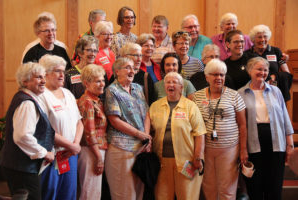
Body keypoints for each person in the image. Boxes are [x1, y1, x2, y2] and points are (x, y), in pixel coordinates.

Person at [238, 57, 294, 200]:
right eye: (259, 69)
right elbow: (239, 124)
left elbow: (285, 119)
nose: (262, 72)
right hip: (253, 143)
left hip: (276, 143)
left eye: (265, 70)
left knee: (274, 186)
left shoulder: (276, 91)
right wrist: (242, 149)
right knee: (255, 186)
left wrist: (290, 143)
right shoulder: (240, 94)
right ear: (250, 70)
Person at [193, 59, 247, 200]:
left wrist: (243, 150)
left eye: (222, 75)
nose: (219, 78)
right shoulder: (197, 97)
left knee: (227, 189)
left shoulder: (234, 95)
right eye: (215, 74)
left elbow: (242, 125)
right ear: (207, 77)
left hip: (229, 148)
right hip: (206, 149)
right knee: (209, 187)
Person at [0, 62, 55, 200]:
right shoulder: (27, 103)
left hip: (21, 167)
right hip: (22, 168)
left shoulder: (26, 98)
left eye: (43, 77)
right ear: (25, 81)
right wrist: (44, 153)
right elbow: (22, 136)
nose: (43, 81)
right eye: (38, 77)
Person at [150, 72, 206, 200]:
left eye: (175, 82)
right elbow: (150, 131)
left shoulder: (191, 107)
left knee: (187, 197)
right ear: (164, 86)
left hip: (187, 162)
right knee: (162, 196)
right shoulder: (155, 106)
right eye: (168, 82)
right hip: (161, 162)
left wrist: (198, 157)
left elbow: (200, 133)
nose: (171, 85)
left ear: (181, 87)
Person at [104, 57, 152, 200]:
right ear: (117, 71)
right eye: (127, 67)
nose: (132, 71)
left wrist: (147, 137)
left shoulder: (138, 88)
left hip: (141, 148)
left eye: (133, 68)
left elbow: (147, 114)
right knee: (124, 194)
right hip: (121, 148)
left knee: (138, 193)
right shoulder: (112, 91)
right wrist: (140, 134)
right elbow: (114, 120)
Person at [38, 55, 83, 200]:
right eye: (57, 71)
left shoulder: (68, 93)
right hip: (51, 157)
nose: (62, 75)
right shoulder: (40, 96)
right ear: (45, 73)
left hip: (70, 155)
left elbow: (79, 122)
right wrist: (72, 146)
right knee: (50, 195)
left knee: (69, 195)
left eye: (63, 71)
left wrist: (75, 144)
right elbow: (44, 130)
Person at [77, 64, 108, 200]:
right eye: (97, 81)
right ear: (86, 83)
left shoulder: (96, 100)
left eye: (102, 80)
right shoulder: (88, 102)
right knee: (90, 193)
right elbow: (89, 132)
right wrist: (99, 158)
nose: (102, 84)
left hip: (96, 150)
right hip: (91, 151)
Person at [245, 24, 292, 101]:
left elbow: (287, 73)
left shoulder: (276, 51)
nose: (262, 39)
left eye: (265, 36)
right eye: (259, 37)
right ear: (253, 39)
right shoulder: (247, 54)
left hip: (275, 91)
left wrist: (275, 76)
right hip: (255, 92)